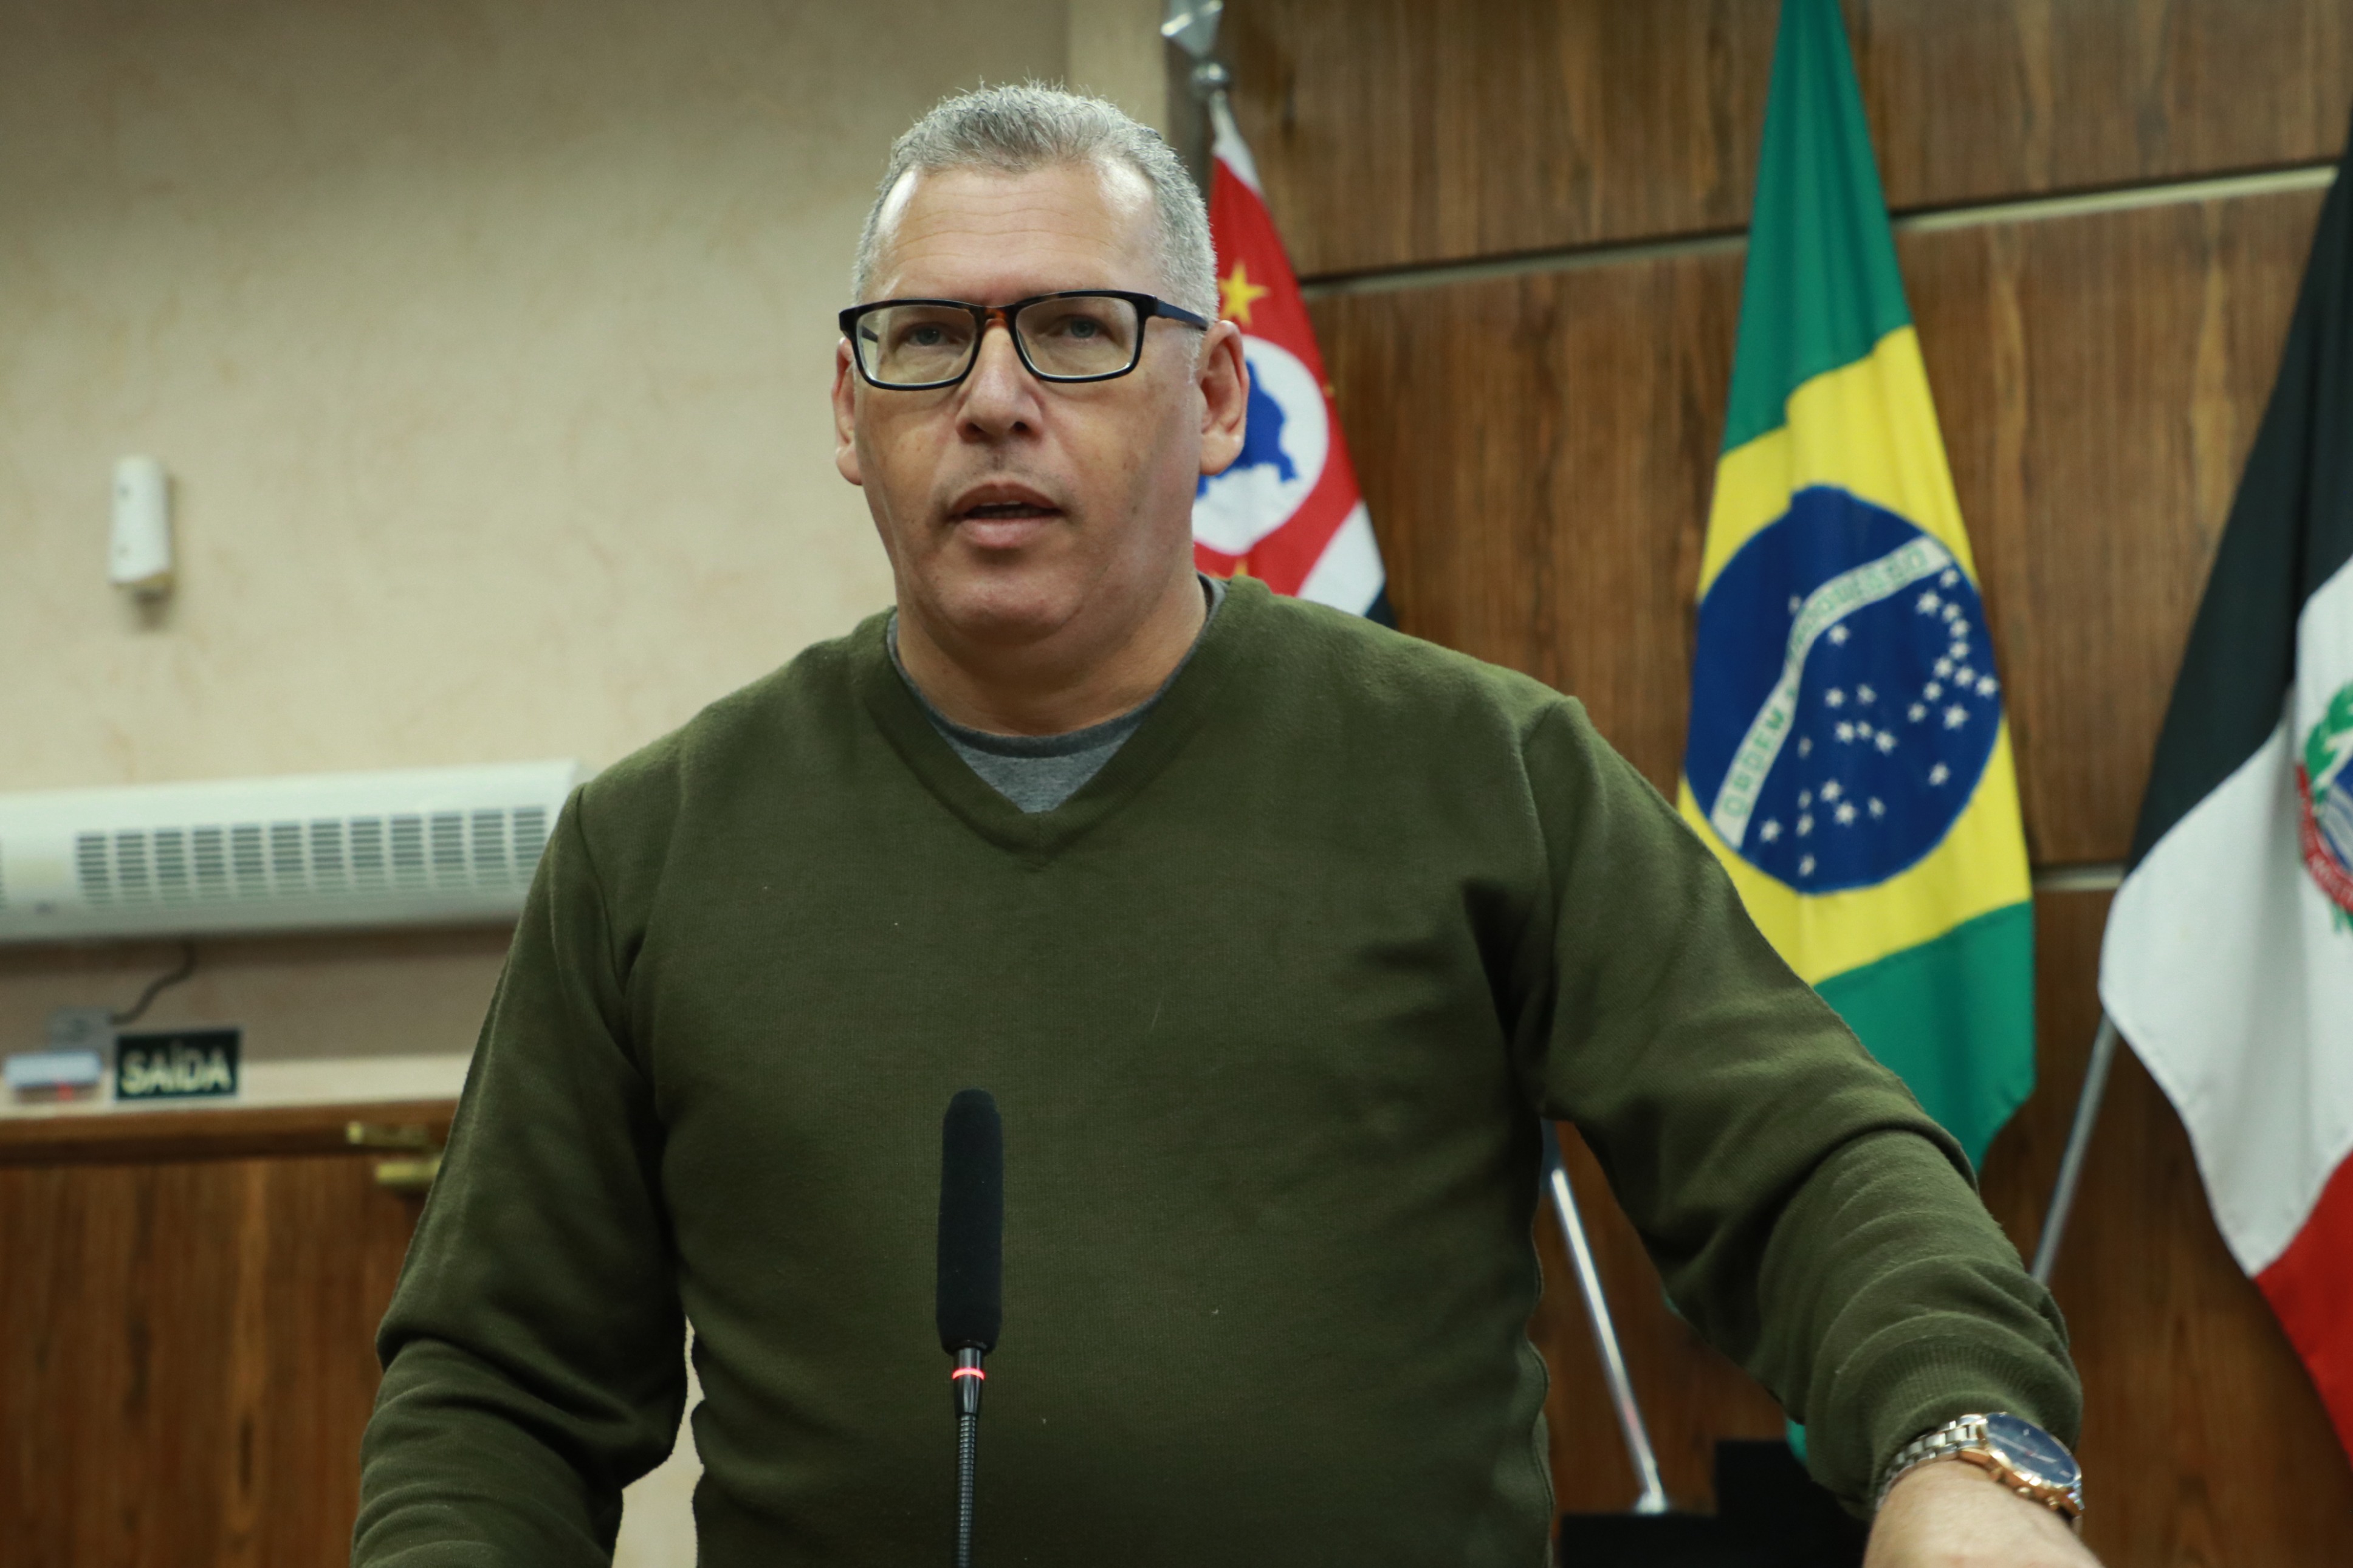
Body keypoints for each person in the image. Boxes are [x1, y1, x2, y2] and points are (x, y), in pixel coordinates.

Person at [354, 86, 2099, 1567]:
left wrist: (1966, 1452)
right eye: (927, 337)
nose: (992, 397)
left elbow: (1805, 1168)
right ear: (848, 413)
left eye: (1077, 329)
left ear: (1214, 401)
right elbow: (498, 1395)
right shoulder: (654, 851)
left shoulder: (1482, 772)